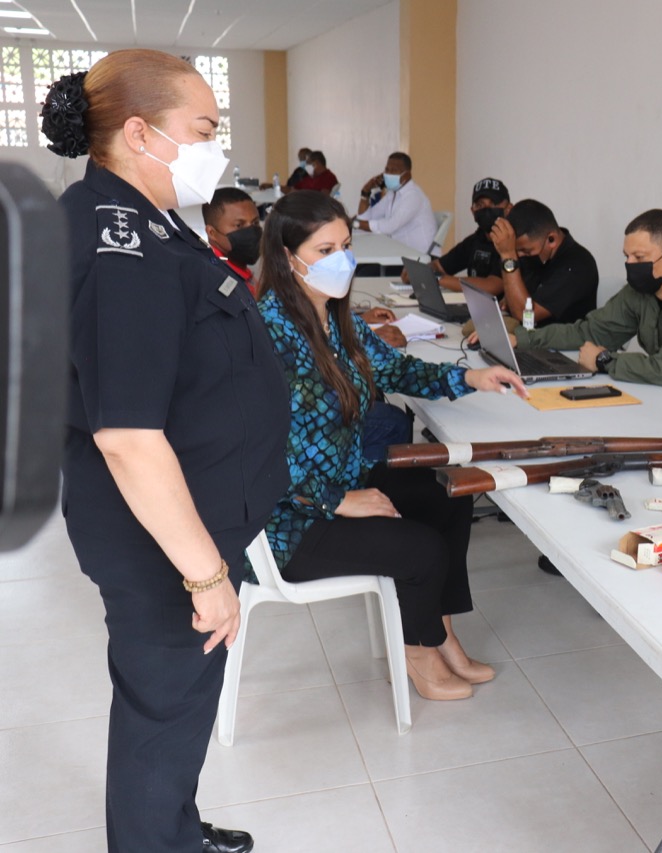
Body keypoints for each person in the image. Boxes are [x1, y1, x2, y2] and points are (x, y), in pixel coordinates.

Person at [47, 49, 287, 853]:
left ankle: (174, 828)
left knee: (180, 700)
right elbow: (126, 433)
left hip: (186, 525)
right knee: (164, 706)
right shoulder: (122, 244)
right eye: (206, 129)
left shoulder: (145, 222)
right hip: (161, 541)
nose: (219, 148)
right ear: (142, 133)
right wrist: (206, 574)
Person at [254, 190, 527, 702]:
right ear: (288, 258)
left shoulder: (336, 318)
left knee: (450, 495)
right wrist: (338, 501)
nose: (342, 260)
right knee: (419, 547)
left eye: (345, 245)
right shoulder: (267, 334)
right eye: (324, 250)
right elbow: (256, 450)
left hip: (343, 479)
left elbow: (396, 368)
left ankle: (441, 632)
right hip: (291, 520)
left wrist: (472, 376)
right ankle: (419, 653)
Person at [512, 208, 662, 432]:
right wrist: (522, 339)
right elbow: (590, 331)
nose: (630, 265)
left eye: (639, 258)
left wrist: (604, 360)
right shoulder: (641, 291)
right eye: (627, 256)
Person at [492, 198, 597, 325]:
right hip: (529, 337)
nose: (519, 256)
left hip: (562, 343)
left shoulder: (577, 266)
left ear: (551, 239)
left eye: (526, 251)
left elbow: (525, 315)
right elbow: (513, 299)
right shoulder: (537, 255)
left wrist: (508, 256)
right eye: (516, 251)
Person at [428, 176, 512, 295]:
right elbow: (439, 265)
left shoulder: (512, 242)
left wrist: (438, 279)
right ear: (473, 211)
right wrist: (421, 272)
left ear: (508, 209)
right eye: (480, 205)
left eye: (493, 204)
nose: (486, 209)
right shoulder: (476, 240)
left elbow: (492, 286)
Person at [353, 151, 437, 255]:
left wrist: (355, 224)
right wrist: (365, 192)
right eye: (387, 170)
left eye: (394, 171)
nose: (388, 174)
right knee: (362, 267)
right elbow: (366, 219)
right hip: (399, 253)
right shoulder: (392, 194)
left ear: (407, 175)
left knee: (365, 270)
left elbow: (390, 226)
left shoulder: (413, 196)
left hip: (418, 258)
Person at [202, 186, 261, 293]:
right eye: (239, 225)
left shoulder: (237, 268)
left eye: (255, 223)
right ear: (212, 233)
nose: (251, 231)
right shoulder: (215, 279)